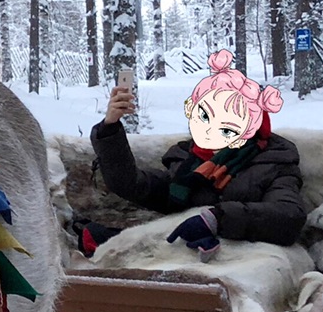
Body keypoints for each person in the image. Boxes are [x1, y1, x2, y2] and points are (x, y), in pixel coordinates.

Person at [84, 50, 307, 260]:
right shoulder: (187, 161)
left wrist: (217, 219)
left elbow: (289, 216)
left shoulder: (274, 160)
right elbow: (130, 184)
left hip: (245, 260)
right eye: (205, 116)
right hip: (190, 260)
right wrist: (110, 128)